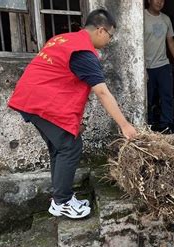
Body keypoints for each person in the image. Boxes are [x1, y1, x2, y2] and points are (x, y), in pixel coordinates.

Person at [8, 8, 137, 219]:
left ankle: (61, 198)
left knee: (59, 147)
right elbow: (102, 92)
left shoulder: (64, 40)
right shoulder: (84, 52)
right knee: (70, 145)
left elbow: (60, 80)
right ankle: (62, 202)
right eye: (110, 36)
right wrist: (125, 125)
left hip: (32, 99)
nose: (109, 41)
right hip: (41, 102)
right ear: (101, 30)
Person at [144, 0, 174, 133]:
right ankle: (148, 125)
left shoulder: (166, 19)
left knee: (167, 95)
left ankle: (166, 125)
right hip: (146, 65)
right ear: (149, 1)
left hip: (163, 64)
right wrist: (141, 66)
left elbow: (170, 41)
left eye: (162, 0)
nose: (159, 2)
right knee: (148, 97)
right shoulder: (141, 17)